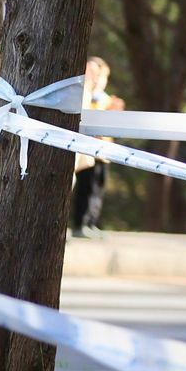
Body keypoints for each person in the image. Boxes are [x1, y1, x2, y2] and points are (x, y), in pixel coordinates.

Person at [72, 56, 125, 239]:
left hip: (104, 150)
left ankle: (90, 222)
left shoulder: (104, 98)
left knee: (97, 189)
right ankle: (80, 223)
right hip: (87, 151)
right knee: (85, 188)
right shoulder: (85, 94)